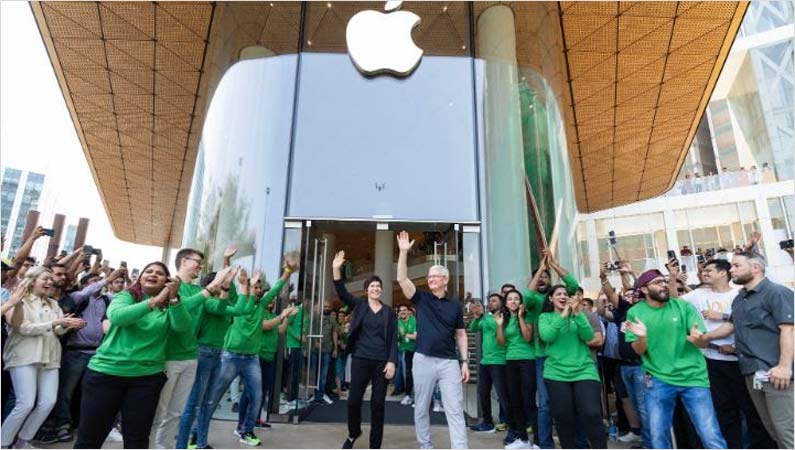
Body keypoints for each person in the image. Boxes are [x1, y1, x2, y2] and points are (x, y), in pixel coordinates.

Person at [73, 262, 188, 448]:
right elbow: (118, 317)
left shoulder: (172, 306)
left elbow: (182, 328)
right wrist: (152, 302)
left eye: (159, 273)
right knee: (90, 438)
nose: (153, 274)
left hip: (146, 379)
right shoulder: (125, 296)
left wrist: (173, 300)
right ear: (140, 277)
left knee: (137, 439)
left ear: (167, 281)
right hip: (105, 375)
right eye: (148, 271)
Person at [669, 258, 776, 448]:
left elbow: (745, 322)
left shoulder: (740, 293)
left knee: (752, 410)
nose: (704, 273)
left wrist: (723, 318)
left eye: (709, 270)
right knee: (724, 411)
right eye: (704, 271)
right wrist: (672, 277)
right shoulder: (699, 294)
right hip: (713, 361)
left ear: (722, 273)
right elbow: (674, 301)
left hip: (741, 361)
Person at [623, 269, 727, 449]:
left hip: (693, 377)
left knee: (709, 433)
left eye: (664, 281)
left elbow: (701, 343)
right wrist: (642, 337)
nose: (664, 285)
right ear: (645, 290)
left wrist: (699, 338)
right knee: (658, 435)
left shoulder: (683, 307)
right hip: (658, 379)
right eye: (657, 282)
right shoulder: (635, 313)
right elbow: (638, 351)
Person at [151, 248, 241, 449]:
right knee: (160, 412)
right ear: (183, 261)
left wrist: (225, 286)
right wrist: (213, 286)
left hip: (190, 357)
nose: (200, 266)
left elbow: (219, 308)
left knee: (176, 412)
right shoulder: (170, 286)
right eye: (197, 261)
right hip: (168, 356)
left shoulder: (197, 291)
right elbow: (181, 310)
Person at [702, 252, 794, 448]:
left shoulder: (776, 292)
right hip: (751, 373)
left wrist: (785, 367)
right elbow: (731, 326)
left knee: (787, 431)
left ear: (756, 268)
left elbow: (789, 329)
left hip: (776, 373)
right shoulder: (739, 299)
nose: (731, 270)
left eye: (736, 266)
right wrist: (705, 338)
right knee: (772, 430)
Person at [203, 263, 294, 447]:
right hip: (231, 356)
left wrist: (288, 271)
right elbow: (229, 286)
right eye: (255, 285)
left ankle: (246, 431)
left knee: (257, 396)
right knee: (214, 396)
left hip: (251, 358)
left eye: (260, 287)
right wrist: (229, 262)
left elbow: (276, 288)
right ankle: (197, 434)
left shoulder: (261, 305)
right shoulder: (239, 300)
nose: (258, 289)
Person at [397, 231, 469, 449]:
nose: (429, 279)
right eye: (428, 277)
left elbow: (461, 334)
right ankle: (425, 445)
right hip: (423, 359)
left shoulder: (455, 306)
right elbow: (402, 279)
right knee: (421, 407)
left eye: (434, 276)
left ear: (445, 279)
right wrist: (402, 253)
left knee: (454, 408)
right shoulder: (422, 299)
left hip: (448, 362)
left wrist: (464, 361)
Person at [1, 267, 85, 449]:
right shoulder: (18, 300)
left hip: (50, 357)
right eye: (45, 279)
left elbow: (56, 330)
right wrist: (55, 323)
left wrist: (67, 325)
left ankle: (22, 442)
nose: (50, 282)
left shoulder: (53, 304)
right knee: (25, 403)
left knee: (48, 402)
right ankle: (3, 443)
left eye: (50, 279)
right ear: (32, 281)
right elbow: (24, 328)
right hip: (24, 355)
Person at [333, 250, 398, 449]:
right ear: (367, 290)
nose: (376, 288)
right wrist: (336, 268)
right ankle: (354, 432)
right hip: (361, 359)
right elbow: (342, 292)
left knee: (378, 405)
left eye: (378, 286)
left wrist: (392, 361)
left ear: (381, 290)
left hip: (381, 362)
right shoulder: (359, 305)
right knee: (353, 402)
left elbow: (394, 338)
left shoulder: (388, 312)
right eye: (372, 286)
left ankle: (374, 445)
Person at [538, 284, 606, 449]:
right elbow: (547, 336)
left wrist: (576, 314)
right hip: (556, 373)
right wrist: (563, 315)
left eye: (566, 294)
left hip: (584, 370)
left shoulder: (579, 315)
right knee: (564, 417)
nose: (563, 296)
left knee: (592, 413)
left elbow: (588, 336)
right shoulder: (545, 317)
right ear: (551, 298)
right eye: (559, 294)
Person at [523, 250, 578, 449]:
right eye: (539, 277)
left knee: (569, 403)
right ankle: (544, 444)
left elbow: (572, 285)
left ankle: (574, 443)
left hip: (566, 357)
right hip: (542, 357)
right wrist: (540, 269)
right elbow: (528, 294)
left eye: (545, 277)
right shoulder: (535, 302)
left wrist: (552, 264)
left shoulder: (560, 296)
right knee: (545, 403)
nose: (542, 279)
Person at [497, 289, 536, 449]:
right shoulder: (503, 320)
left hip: (527, 360)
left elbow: (527, 338)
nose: (513, 301)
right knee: (515, 401)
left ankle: (539, 439)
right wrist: (499, 326)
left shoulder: (528, 316)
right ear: (506, 303)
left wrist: (520, 316)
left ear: (520, 302)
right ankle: (523, 439)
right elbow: (500, 342)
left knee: (528, 401)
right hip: (510, 361)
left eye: (516, 299)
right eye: (510, 299)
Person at [467, 293, 509, 435]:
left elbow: (496, 327)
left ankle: (514, 424)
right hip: (485, 361)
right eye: (489, 301)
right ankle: (487, 422)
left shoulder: (504, 316)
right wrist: (477, 316)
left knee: (503, 395)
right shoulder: (486, 317)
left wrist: (483, 315)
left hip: (499, 361)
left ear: (501, 303)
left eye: (494, 301)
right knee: (483, 393)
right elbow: (473, 328)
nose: (491, 303)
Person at [396, 304, 417, 405]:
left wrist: (404, 334)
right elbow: (398, 338)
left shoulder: (413, 320)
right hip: (405, 350)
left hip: (416, 350)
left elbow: (415, 336)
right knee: (407, 374)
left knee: (416, 373)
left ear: (409, 311)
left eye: (404, 310)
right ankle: (408, 395)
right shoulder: (398, 322)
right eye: (401, 310)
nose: (402, 312)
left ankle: (416, 396)